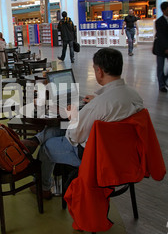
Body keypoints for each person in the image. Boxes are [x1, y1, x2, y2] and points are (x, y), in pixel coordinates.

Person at [22, 47, 144, 199]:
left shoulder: (98, 105)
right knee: (57, 130)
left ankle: (43, 187)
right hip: (126, 154)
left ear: (99, 71)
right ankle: (38, 138)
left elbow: (74, 137)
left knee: (47, 147)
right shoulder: (135, 96)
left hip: (95, 157)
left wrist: (73, 115)